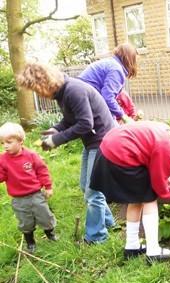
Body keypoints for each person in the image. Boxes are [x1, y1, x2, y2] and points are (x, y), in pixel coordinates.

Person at [17, 62, 116, 244]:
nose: (38, 94)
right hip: (93, 142)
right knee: (85, 186)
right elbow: (71, 119)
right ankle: (109, 222)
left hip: (103, 142)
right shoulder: (64, 93)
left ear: (43, 82)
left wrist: (56, 140)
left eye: (36, 89)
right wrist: (56, 129)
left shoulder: (73, 90)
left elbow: (86, 124)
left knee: (92, 192)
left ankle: (96, 237)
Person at [90, 121, 170, 261]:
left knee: (136, 199)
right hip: (119, 156)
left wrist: (165, 178)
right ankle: (153, 251)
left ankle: (131, 247)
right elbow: (158, 184)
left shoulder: (169, 133)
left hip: (110, 149)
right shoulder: (167, 147)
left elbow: (150, 158)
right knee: (149, 198)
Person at [0, 122, 57, 253]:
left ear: (20, 141)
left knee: (45, 216)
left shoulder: (31, 155)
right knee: (25, 222)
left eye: (9, 142)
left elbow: (42, 171)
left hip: (36, 194)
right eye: (2, 143)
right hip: (18, 198)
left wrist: (48, 187)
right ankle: (30, 242)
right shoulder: (2, 160)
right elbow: (1, 176)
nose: (5, 146)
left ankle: (50, 234)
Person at [78, 43, 138, 124]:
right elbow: (107, 97)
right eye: (135, 60)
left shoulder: (111, 63)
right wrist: (123, 116)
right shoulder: (116, 69)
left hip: (81, 94)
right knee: (108, 128)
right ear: (129, 59)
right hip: (84, 96)